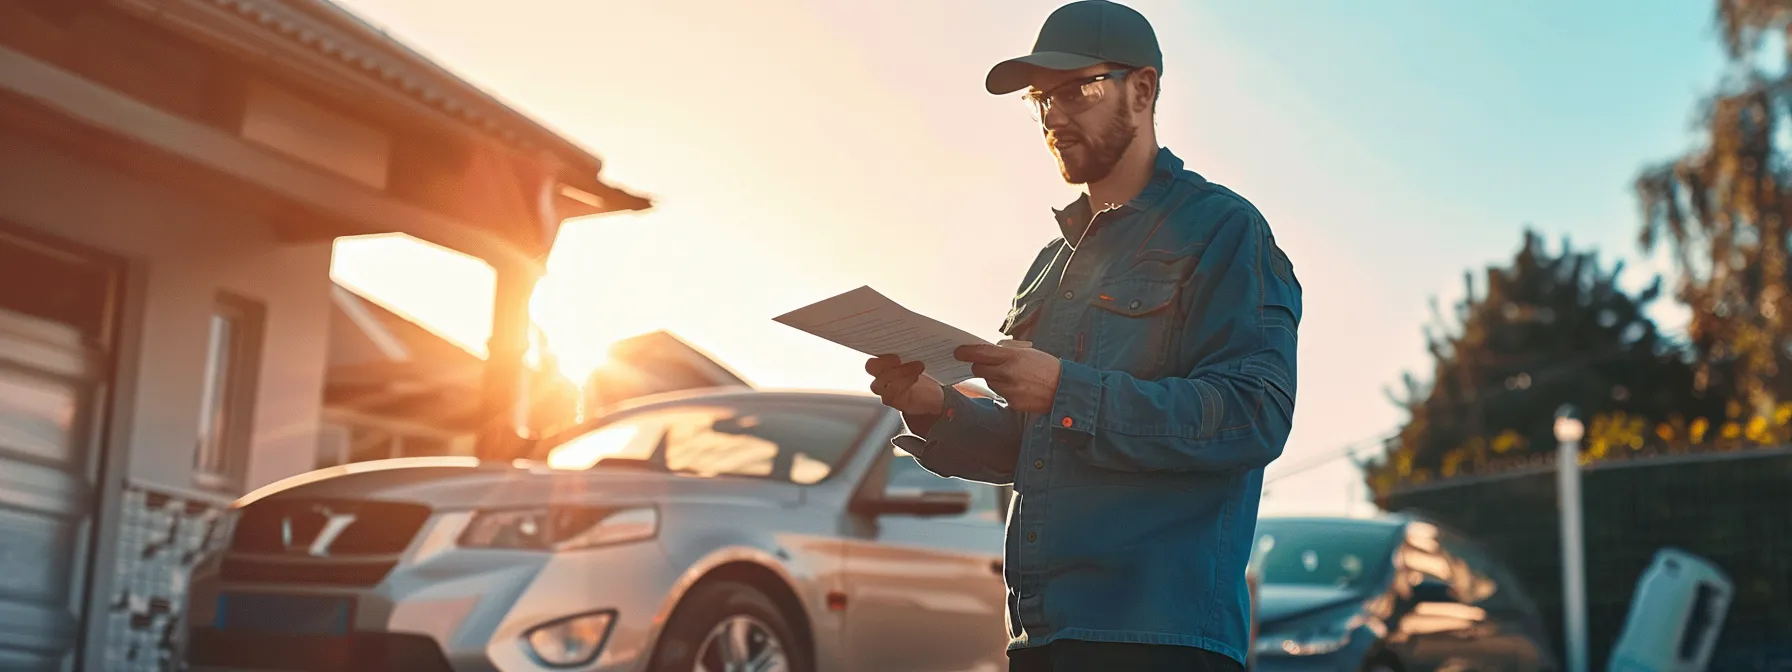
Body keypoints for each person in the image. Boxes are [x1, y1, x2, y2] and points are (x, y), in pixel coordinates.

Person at [864, 1, 1301, 670]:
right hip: (1041, 638)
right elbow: (1039, 448)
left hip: (1163, 643)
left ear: (1144, 89)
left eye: (1076, 89)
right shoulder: (1053, 263)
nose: (1053, 115)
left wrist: (1068, 388)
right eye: (1041, 98)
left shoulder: (1224, 232)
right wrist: (939, 408)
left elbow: (1253, 416)